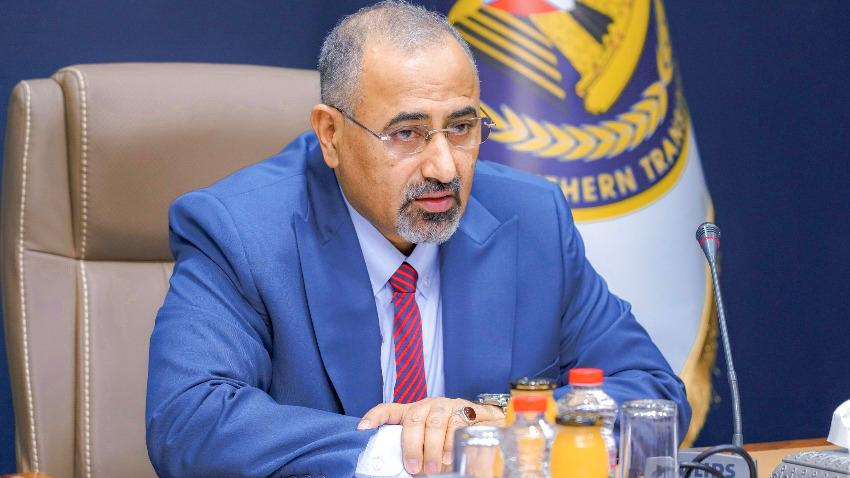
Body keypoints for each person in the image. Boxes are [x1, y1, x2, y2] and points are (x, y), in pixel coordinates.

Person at [145, 1, 691, 476]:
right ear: (331, 135)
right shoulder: (241, 230)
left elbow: (653, 393)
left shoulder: (530, 220)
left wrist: (495, 423)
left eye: (462, 127)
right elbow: (188, 420)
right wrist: (403, 448)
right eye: (406, 133)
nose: (444, 167)